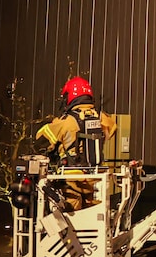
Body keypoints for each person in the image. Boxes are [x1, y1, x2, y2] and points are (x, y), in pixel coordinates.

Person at [34, 76, 117, 211]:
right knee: (90, 208)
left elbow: (40, 140)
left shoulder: (65, 121)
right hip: (92, 175)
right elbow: (112, 129)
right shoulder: (102, 118)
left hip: (70, 177)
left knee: (72, 212)